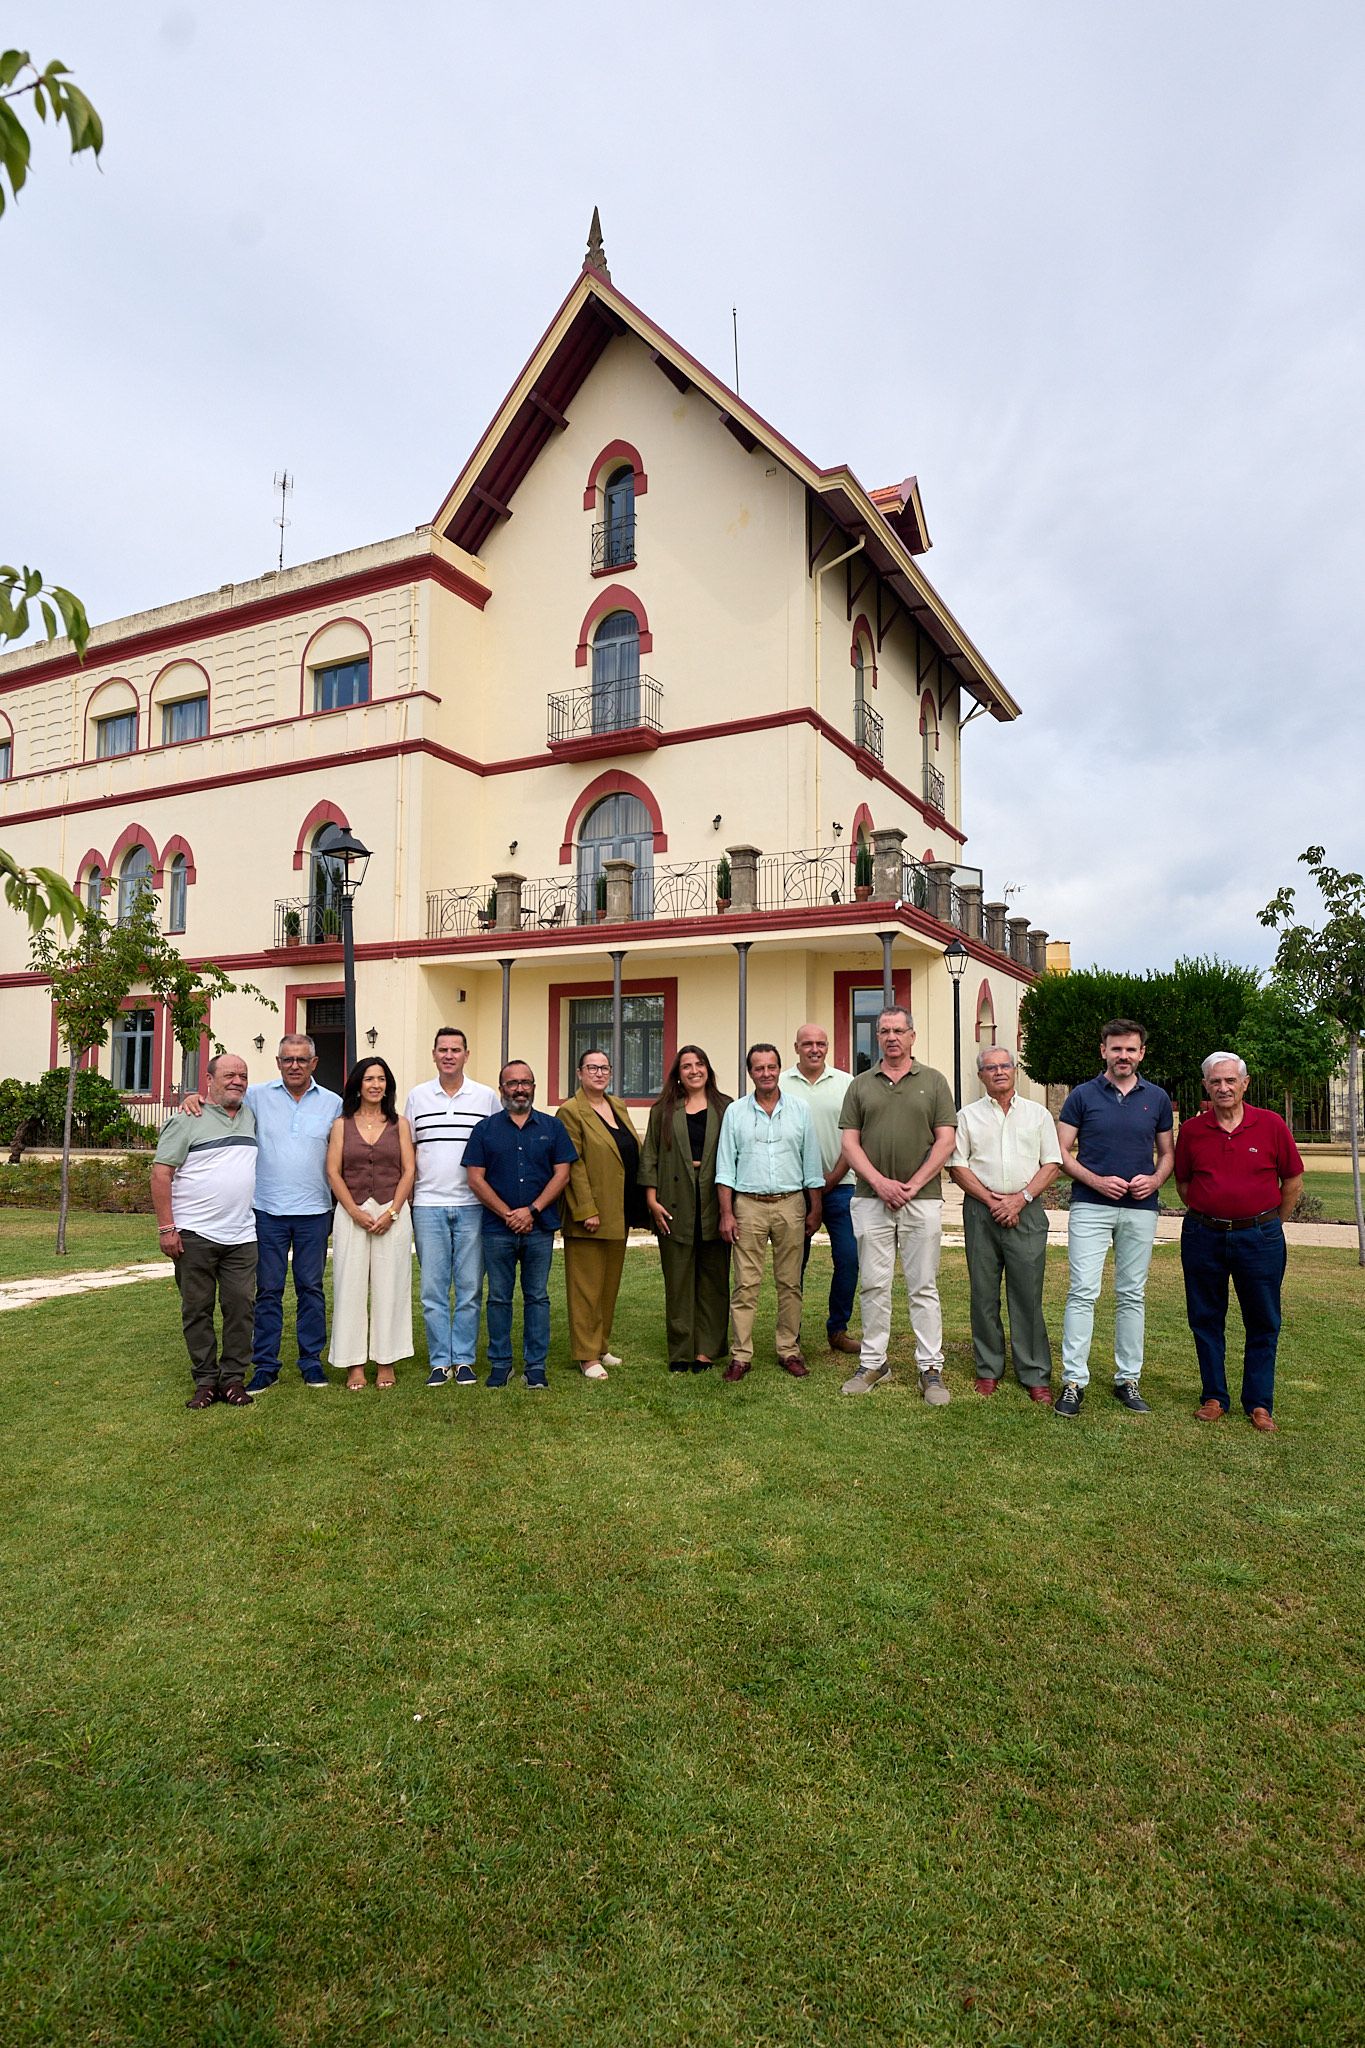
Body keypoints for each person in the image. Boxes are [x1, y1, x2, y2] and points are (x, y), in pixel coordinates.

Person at [181, 1033, 342, 1392]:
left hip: (315, 1211)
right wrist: (193, 1097)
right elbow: (220, 1098)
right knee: (268, 1291)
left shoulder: (333, 1104)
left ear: (314, 1063)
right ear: (278, 1062)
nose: (294, 1066)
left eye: (302, 1059)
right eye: (288, 1059)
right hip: (267, 1211)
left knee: (311, 1289)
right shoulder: (256, 1097)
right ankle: (266, 1365)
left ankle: (311, 1362)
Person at [1174, 1052, 1303, 1434]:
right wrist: (1213, 1210)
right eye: (1215, 1081)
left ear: (1245, 1084)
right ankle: (1214, 1397)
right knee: (1205, 1317)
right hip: (1204, 1235)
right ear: (1205, 1086)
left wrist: (1270, 1223)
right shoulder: (1192, 1131)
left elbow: (1292, 1181)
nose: (1223, 1087)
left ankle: (1259, 1403)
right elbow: (1184, 1183)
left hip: (1259, 1237)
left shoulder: (1271, 1124)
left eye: (1230, 1080)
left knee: (1263, 1320)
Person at [1056, 1018, 1175, 1418]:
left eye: (1130, 1049)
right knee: (1082, 1292)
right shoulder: (1081, 1096)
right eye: (1116, 1048)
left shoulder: (1157, 1098)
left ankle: (1128, 1379)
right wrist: (1096, 1181)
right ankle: (1074, 1382)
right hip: (1091, 1206)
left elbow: (1167, 1154)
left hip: (1140, 1209)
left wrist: (1155, 1180)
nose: (1123, 1056)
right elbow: (1061, 1152)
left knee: (1132, 1295)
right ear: (1103, 1050)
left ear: (1142, 1053)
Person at [838, 1006, 957, 1402]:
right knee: (874, 1284)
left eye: (898, 1031)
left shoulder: (934, 1082)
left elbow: (945, 1140)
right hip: (871, 1200)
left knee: (923, 1286)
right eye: (884, 1031)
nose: (891, 1037)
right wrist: (880, 1183)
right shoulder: (860, 1085)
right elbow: (850, 1143)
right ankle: (874, 1363)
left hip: (921, 1200)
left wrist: (912, 1184)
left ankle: (930, 1368)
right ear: (877, 1037)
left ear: (912, 1036)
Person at [949, 1045, 1062, 1403]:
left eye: (1005, 1066)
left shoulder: (1038, 1114)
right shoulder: (967, 1117)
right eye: (990, 1067)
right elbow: (957, 1166)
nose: (999, 1072)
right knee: (983, 1293)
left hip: (1026, 1211)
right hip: (981, 1211)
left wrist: (1020, 1199)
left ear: (1015, 1071)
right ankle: (988, 1368)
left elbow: (1052, 1163)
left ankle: (1035, 1372)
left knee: (1027, 1294)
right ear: (980, 1075)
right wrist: (991, 1200)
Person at [151, 1052, 259, 1410]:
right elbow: (161, 1174)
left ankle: (233, 1379)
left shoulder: (250, 1115)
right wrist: (167, 1228)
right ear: (209, 1080)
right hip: (194, 1234)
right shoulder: (186, 1119)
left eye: (243, 1076)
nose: (237, 1081)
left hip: (242, 1236)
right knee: (197, 1310)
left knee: (241, 1307)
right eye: (229, 1075)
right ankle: (205, 1381)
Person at [464, 1061, 578, 1389]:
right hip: (497, 1230)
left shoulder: (552, 1127)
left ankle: (535, 1366)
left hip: (539, 1228)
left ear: (534, 1087)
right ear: (502, 1089)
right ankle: (501, 1364)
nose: (519, 1089)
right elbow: (475, 1179)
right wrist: (508, 1215)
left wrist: (531, 1211)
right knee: (499, 1297)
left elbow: (562, 1174)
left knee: (537, 1297)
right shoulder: (485, 1129)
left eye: (525, 1082)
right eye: (512, 1083)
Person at [715, 1043, 824, 1380]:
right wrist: (727, 1213)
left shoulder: (800, 1110)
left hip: (791, 1204)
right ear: (750, 1073)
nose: (766, 1073)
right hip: (748, 1206)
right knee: (745, 1284)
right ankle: (741, 1355)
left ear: (779, 1068)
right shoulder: (735, 1112)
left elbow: (811, 1162)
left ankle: (789, 1349)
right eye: (759, 1068)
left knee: (790, 1282)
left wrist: (815, 1207)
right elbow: (725, 1167)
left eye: (771, 1067)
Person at [405, 1028, 499, 1388]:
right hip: (428, 1205)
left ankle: (463, 1359)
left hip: (473, 1205)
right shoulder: (417, 1097)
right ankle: (439, 1361)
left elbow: (495, 1148)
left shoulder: (485, 1097)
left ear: (466, 1055)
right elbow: (409, 1150)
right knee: (433, 1289)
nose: (448, 1055)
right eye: (442, 1049)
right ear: (433, 1054)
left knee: (470, 1287)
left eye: (455, 1049)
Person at [640, 1044, 733, 1373]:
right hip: (672, 1199)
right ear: (677, 1074)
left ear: (708, 1068)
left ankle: (706, 1350)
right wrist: (651, 1200)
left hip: (714, 1197)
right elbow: (650, 1156)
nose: (694, 1070)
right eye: (686, 1066)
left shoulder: (726, 1107)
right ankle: (681, 1351)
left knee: (714, 1279)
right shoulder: (663, 1110)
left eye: (699, 1064)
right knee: (678, 1280)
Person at [325, 1057, 416, 1390]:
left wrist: (393, 1212)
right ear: (357, 1085)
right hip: (352, 1213)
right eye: (368, 1079)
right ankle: (354, 1364)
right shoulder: (342, 1125)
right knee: (349, 1286)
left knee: (391, 1286)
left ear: (388, 1085)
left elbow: (409, 1170)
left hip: (392, 1212)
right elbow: (333, 1171)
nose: (375, 1085)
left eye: (381, 1079)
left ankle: (386, 1360)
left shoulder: (400, 1124)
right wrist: (353, 1211)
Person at [556, 1049, 643, 1380]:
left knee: (608, 1285)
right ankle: (586, 1355)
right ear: (579, 1073)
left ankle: (601, 1345)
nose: (599, 1073)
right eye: (592, 1068)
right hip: (589, 1214)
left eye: (604, 1068)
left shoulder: (617, 1105)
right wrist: (585, 1209)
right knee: (586, 1288)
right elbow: (573, 1163)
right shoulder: (570, 1111)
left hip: (618, 1208)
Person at [782, 1022, 860, 1356]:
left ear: (827, 1047)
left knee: (849, 1258)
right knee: (793, 1264)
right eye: (807, 1043)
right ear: (796, 1047)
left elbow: (855, 1134)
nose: (814, 1049)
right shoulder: (780, 1083)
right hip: (795, 1190)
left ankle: (838, 1329)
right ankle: (791, 1334)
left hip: (840, 1185)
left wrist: (834, 1175)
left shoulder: (846, 1083)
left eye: (821, 1044)